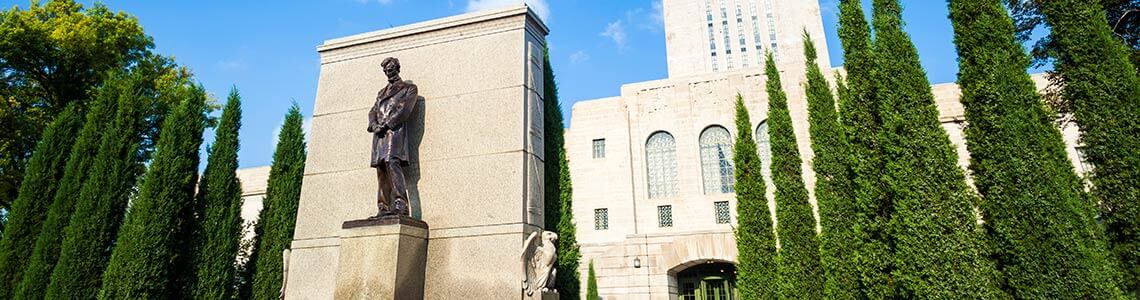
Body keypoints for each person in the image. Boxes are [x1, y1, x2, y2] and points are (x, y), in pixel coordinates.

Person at [368, 57, 418, 217]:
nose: (387, 73)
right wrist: (374, 124)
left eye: (390, 70)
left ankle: (401, 205)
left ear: (397, 68)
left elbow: (404, 111)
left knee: (392, 163)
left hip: (394, 134)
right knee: (381, 169)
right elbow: (373, 111)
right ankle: (383, 207)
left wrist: (387, 124)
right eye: (385, 71)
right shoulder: (381, 92)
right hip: (379, 136)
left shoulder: (409, 89)